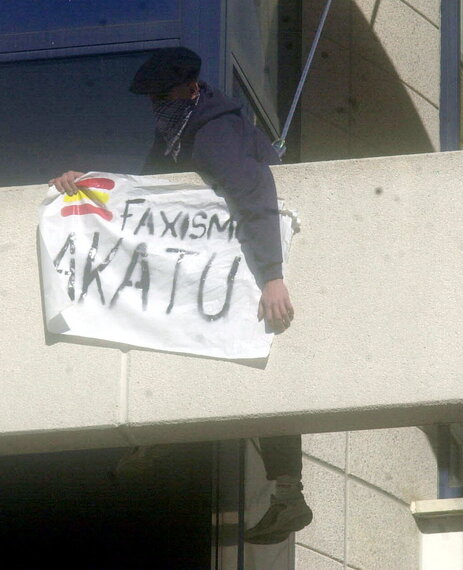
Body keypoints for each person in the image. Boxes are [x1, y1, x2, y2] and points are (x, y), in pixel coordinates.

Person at [49, 47, 312, 544]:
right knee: (186, 340)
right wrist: (84, 186)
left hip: (258, 267)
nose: (158, 107)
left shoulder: (213, 133)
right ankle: (175, 443)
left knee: (260, 373)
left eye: (164, 96)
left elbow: (254, 191)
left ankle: (285, 492)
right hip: (226, 269)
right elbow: (143, 193)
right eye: (153, 100)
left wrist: (273, 276)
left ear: (191, 90)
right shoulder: (178, 131)